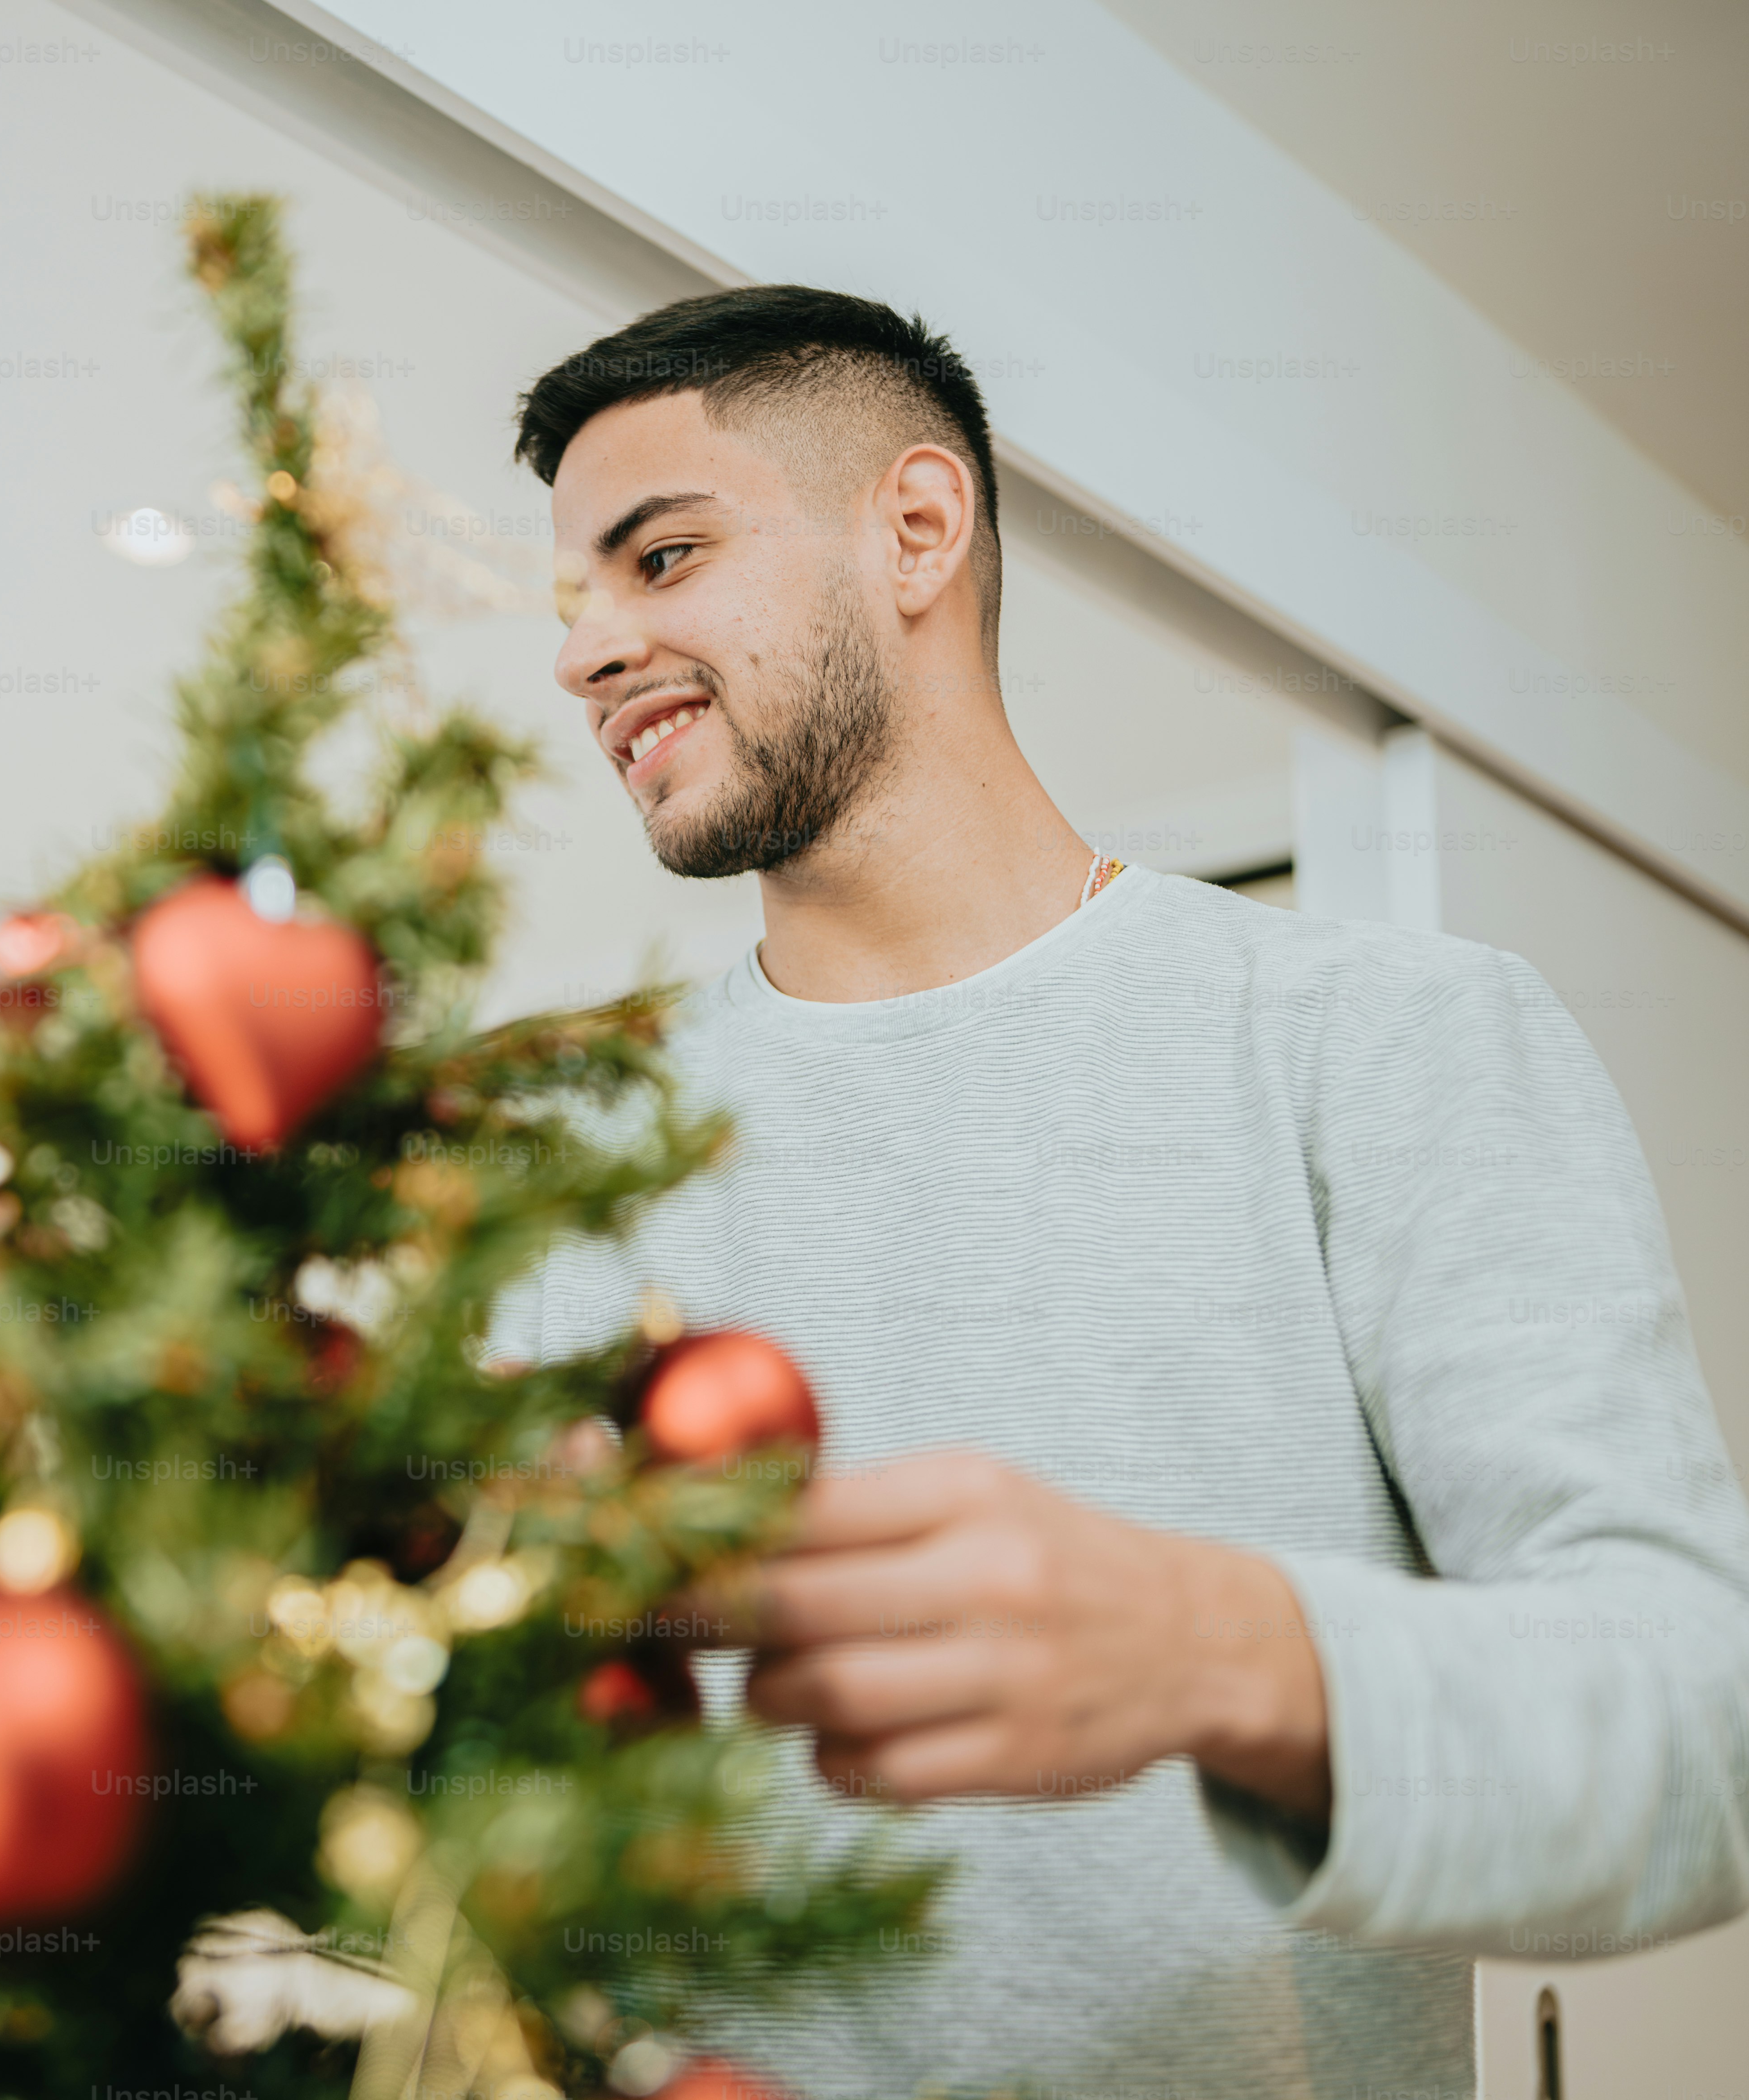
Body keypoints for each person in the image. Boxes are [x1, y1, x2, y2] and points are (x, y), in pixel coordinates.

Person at [499, 287, 1749, 2094]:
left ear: (919, 529)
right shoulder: (561, 1148)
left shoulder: (1385, 1040)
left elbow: (1701, 1725)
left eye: (663, 557)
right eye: (572, 600)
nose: (586, 653)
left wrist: (1223, 1646)